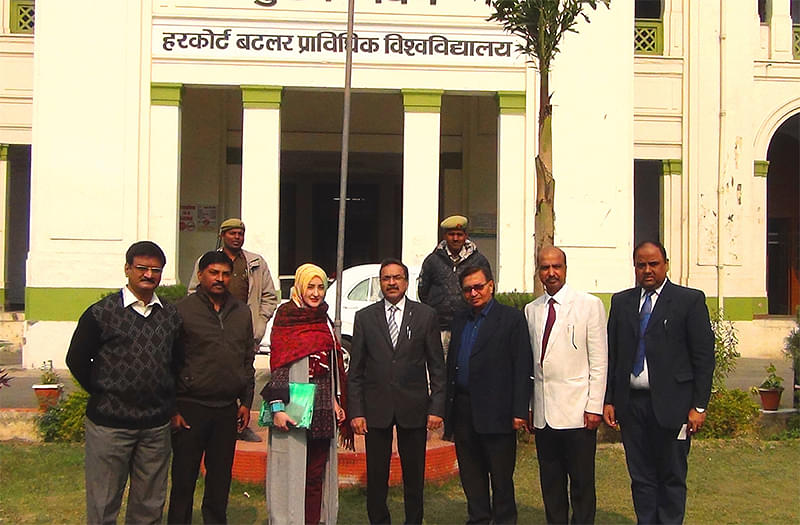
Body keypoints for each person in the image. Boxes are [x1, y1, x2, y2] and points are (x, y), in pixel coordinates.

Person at [66, 241, 182, 525]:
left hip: (155, 427)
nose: (148, 275)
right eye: (141, 268)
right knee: (104, 502)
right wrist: (104, 390)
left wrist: (169, 405)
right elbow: (76, 359)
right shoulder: (101, 313)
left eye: (155, 270)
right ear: (127, 269)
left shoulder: (170, 315)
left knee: (149, 505)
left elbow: (176, 363)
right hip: (110, 425)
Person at [604, 241, 715, 524]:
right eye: (641, 265)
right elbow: (614, 355)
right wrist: (609, 399)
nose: (647, 270)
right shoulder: (622, 302)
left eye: (653, 264)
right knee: (641, 477)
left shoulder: (689, 301)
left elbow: (703, 358)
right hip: (632, 406)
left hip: (673, 406)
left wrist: (699, 407)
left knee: (671, 476)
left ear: (666, 264)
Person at [348, 258, 446, 525]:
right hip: (376, 409)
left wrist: (436, 408)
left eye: (397, 277)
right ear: (380, 283)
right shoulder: (365, 318)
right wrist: (356, 411)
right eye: (386, 278)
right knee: (377, 477)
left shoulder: (425, 316)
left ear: (406, 281)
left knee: (414, 477)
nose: (391, 283)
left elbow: (437, 367)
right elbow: (355, 371)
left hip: (414, 409)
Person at [261, 263, 354, 525]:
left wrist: (335, 402)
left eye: (320, 287)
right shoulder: (286, 316)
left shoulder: (323, 318)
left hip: (322, 407)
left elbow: (329, 364)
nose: (315, 293)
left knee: (315, 474)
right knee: (292, 471)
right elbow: (279, 363)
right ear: (299, 287)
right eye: (310, 287)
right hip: (293, 407)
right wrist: (277, 408)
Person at [168, 251, 256, 524]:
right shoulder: (182, 311)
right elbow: (168, 362)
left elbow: (247, 359)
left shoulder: (241, 312)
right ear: (200, 275)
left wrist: (246, 402)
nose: (220, 279)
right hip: (190, 408)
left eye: (225, 274)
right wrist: (172, 408)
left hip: (226, 409)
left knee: (220, 480)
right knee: (184, 479)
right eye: (214, 273)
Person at [524, 246, 607, 524]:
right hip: (544, 414)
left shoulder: (588, 305)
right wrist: (531, 406)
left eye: (556, 267)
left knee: (582, 483)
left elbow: (599, 361)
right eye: (545, 267)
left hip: (578, 412)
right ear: (538, 272)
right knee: (551, 483)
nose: (551, 273)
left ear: (565, 269)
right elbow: (532, 364)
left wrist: (594, 406)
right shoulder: (532, 310)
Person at [444, 265, 532, 525]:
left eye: (478, 287)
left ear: (491, 286)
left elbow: (522, 366)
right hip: (463, 409)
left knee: (501, 479)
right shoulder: (460, 319)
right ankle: (479, 519)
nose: (473, 293)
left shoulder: (511, 319)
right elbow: (452, 363)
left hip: (498, 412)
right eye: (467, 289)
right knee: (471, 476)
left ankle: (504, 520)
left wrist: (519, 411)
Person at [188, 217, 278, 347]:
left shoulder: (256, 262)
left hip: (245, 328)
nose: (237, 237)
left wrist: (260, 323)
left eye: (240, 234)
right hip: (213, 325)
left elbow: (269, 297)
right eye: (232, 233)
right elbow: (193, 292)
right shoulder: (208, 260)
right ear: (222, 235)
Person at [418, 215, 491, 354]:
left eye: (459, 234)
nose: (455, 238)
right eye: (451, 234)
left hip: (469, 324)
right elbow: (423, 292)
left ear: (465, 236)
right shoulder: (432, 261)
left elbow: (487, 293)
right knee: (440, 363)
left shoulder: (479, 261)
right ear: (445, 236)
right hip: (439, 328)